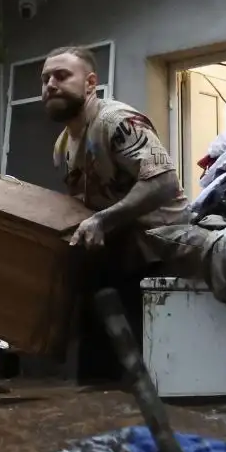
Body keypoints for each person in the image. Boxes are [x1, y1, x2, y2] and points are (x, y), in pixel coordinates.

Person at [39, 45, 187, 379]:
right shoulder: (63, 144)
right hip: (114, 255)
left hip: (156, 252)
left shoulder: (116, 122)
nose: (50, 84)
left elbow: (164, 181)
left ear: (90, 83)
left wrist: (103, 220)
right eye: (45, 78)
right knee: (95, 360)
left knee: (130, 369)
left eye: (62, 76)